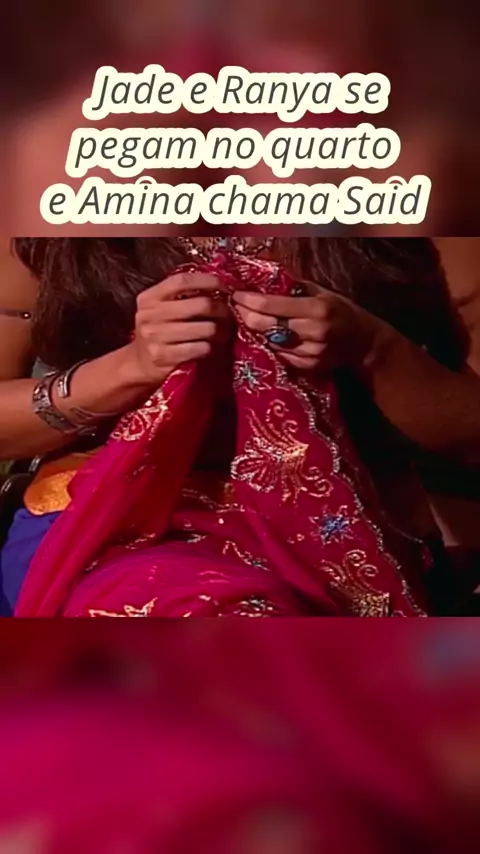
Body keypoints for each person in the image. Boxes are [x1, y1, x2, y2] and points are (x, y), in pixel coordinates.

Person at [1, 237, 480, 617]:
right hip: (110, 527)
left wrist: (371, 348)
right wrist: (130, 368)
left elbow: (469, 431)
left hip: (344, 538)